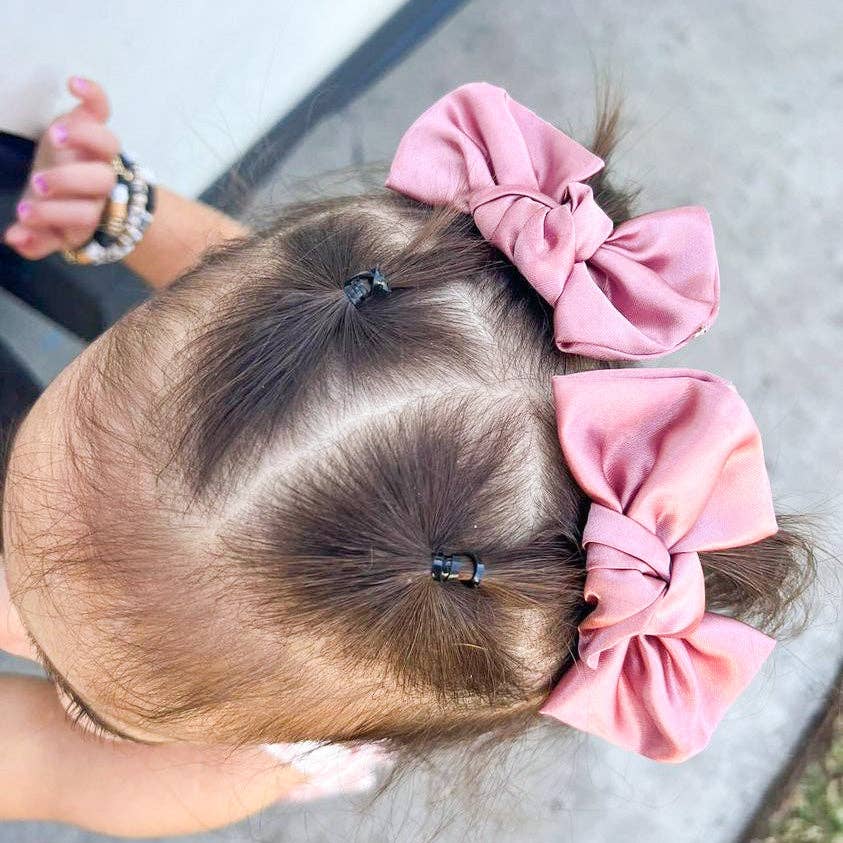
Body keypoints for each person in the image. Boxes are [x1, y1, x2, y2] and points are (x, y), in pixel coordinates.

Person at [0, 77, 815, 836]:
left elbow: (35, 761)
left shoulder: (198, 774)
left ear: (301, 733)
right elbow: (273, 333)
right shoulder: (307, 383)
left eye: (83, 693)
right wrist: (123, 210)